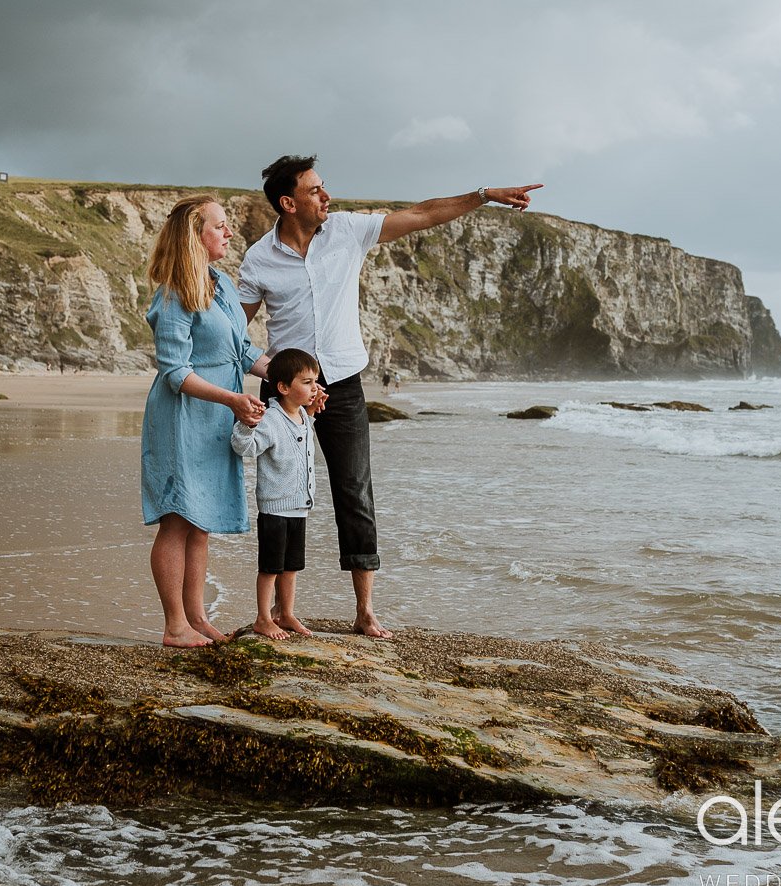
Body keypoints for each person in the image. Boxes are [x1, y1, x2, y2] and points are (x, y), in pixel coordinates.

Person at [239, 155, 541, 639]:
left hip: (341, 384)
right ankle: (275, 613)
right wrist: (269, 374)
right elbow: (235, 332)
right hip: (286, 393)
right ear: (288, 203)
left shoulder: (347, 231)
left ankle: (364, 611)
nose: (326, 196)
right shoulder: (259, 258)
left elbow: (420, 214)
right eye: (316, 190)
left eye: (324, 188)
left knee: (354, 493)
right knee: (283, 498)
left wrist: (483, 196)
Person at [142, 194, 269, 648]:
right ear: (196, 235)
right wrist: (233, 399)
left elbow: (242, 350)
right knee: (177, 519)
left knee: (201, 521)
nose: (229, 232)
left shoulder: (223, 285)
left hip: (217, 416)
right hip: (182, 416)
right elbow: (174, 371)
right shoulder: (174, 294)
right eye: (220, 225)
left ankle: (196, 618)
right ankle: (174, 624)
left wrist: (290, 376)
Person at [230, 347, 322, 641]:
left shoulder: (303, 418)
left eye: (315, 381)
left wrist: (311, 412)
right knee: (270, 567)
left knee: (291, 566)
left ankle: (286, 612)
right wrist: (247, 424)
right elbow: (245, 448)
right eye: (306, 382)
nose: (314, 388)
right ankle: (263, 617)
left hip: (299, 507)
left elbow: (300, 440)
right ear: (283, 387)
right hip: (275, 508)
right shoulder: (270, 418)